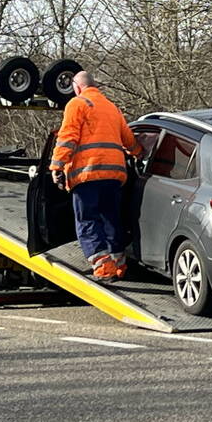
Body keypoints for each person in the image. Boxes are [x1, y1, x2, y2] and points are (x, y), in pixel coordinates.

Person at [49, 71, 142, 281]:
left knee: (88, 220)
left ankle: (103, 268)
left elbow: (68, 138)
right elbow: (128, 139)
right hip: (114, 174)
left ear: (77, 87)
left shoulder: (77, 104)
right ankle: (119, 264)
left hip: (87, 174)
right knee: (111, 218)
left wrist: (57, 165)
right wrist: (139, 153)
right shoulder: (111, 107)